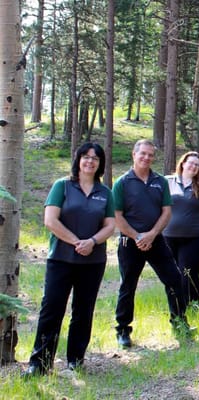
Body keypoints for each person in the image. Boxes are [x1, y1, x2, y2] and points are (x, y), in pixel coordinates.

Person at [22, 143, 115, 377]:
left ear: (100, 164)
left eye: (95, 158)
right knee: (51, 308)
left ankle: (75, 360)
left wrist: (92, 242)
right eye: (86, 157)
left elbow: (110, 226)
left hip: (93, 262)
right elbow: (50, 220)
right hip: (61, 259)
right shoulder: (62, 186)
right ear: (78, 159)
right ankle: (39, 364)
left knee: (83, 310)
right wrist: (77, 242)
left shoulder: (105, 193)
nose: (90, 161)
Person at [113, 139, 189, 348]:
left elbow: (167, 211)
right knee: (128, 286)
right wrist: (138, 236)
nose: (147, 157)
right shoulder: (122, 183)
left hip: (156, 241)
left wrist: (152, 234)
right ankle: (123, 330)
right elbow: (117, 216)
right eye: (143, 153)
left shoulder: (160, 182)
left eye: (150, 154)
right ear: (134, 154)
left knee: (174, 279)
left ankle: (180, 323)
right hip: (130, 243)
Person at [163, 151, 199, 303]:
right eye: (191, 163)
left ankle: (193, 304)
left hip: (195, 237)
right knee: (171, 272)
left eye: (197, 164)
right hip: (169, 236)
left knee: (189, 272)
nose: (194, 167)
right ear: (183, 163)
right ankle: (176, 305)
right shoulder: (167, 182)